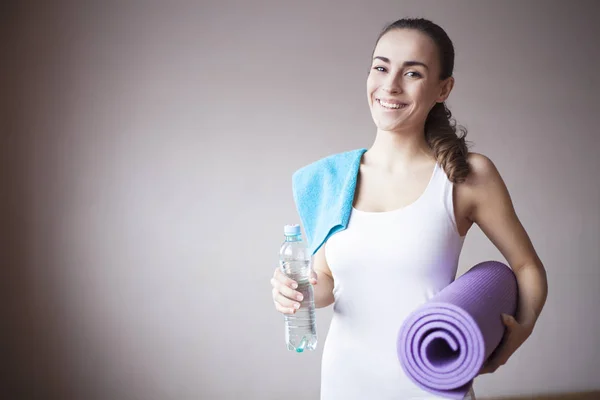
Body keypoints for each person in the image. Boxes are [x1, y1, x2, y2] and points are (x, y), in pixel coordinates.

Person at [270, 17, 548, 400]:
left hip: (434, 387)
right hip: (345, 383)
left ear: (443, 89)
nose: (390, 85)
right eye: (381, 67)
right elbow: (327, 283)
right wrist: (295, 292)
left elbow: (526, 266)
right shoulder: (329, 179)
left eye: (412, 73)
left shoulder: (465, 175)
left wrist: (524, 327)